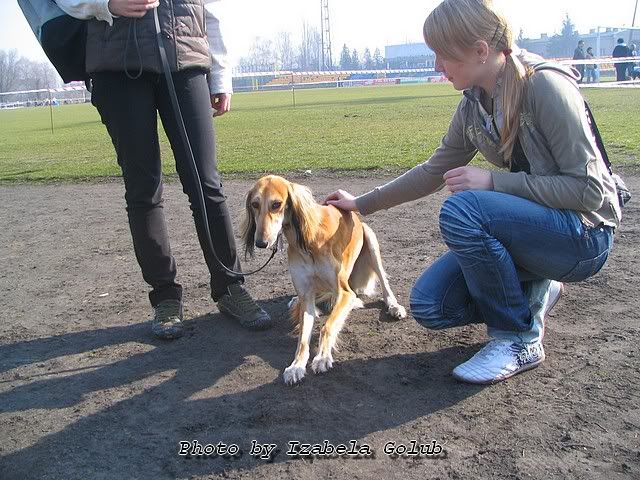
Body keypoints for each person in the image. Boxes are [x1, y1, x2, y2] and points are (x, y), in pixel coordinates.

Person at [325, 0, 621, 385]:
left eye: (442, 54)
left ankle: (517, 339)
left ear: (481, 50)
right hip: (543, 231)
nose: (437, 66)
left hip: (585, 237)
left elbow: (589, 191)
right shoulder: (474, 103)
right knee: (431, 305)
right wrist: (360, 204)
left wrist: (495, 182)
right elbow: (433, 172)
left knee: (464, 209)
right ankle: (538, 288)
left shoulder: (544, 86)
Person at [57, 0, 272, 338]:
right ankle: (165, 297)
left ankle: (230, 286)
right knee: (144, 189)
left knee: (206, 183)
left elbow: (209, 8)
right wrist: (105, 3)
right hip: (117, 64)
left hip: (186, 59)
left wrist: (220, 73)